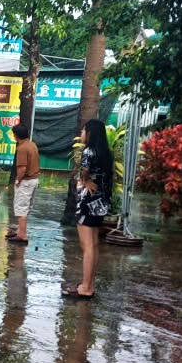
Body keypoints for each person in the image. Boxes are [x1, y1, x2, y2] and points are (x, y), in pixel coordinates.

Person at [64, 118, 114, 300]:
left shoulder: (89, 151)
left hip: (88, 201)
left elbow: (84, 171)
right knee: (93, 244)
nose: (82, 134)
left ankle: (85, 287)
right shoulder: (106, 153)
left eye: (84, 131)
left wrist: (84, 180)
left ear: (91, 133)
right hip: (101, 202)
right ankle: (89, 284)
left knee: (87, 246)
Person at [7, 123, 40, 245]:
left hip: (26, 181)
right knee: (26, 208)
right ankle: (20, 230)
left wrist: (17, 180)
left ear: (16, 136)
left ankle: (22, 235)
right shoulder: (32, 144)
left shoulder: (22, 148)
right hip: (34, 179)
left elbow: (22, 168)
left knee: (21, 208)